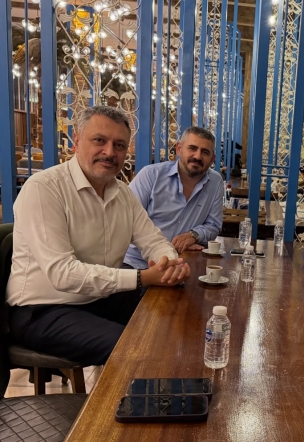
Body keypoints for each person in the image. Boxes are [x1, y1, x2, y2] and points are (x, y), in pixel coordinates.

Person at [7, 106, 190, 367]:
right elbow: (62, 273)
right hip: (43, 309)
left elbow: (154, 240)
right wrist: (142, 277)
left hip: (99, 298)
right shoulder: (44, 188)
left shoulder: (123, 193)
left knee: (176, 316)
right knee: (136, 348)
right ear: (77, 141)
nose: (109, 152)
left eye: (119, 145)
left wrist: (170, 264)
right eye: (99, 140)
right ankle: (121, 395)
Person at [123, 126, 224, 268]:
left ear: (212, 159)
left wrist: (194, 235)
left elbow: (213, 225)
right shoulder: (151, 175)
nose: (197, 156)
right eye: (192, 148)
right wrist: (167, 251)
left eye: (205, 152)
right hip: (138, 264)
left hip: (181, 263)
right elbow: (128, 222)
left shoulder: (215, 182)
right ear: (179, 149)